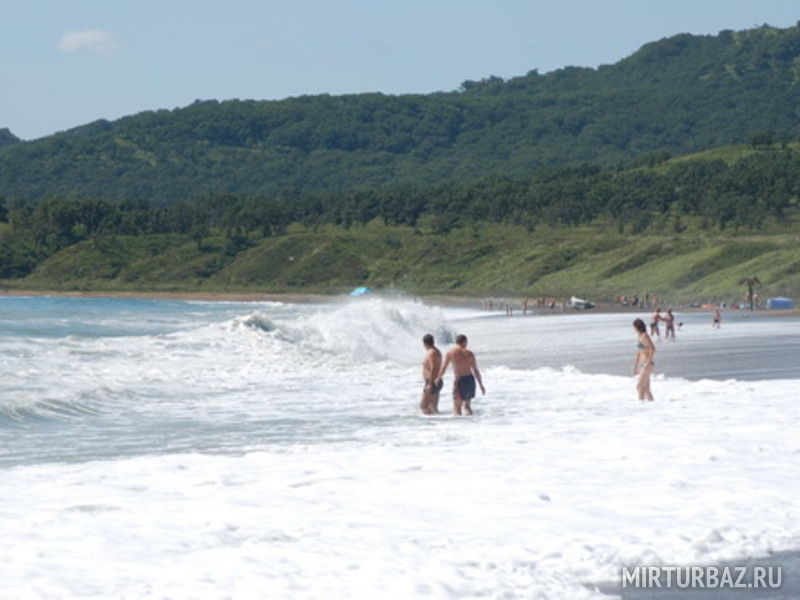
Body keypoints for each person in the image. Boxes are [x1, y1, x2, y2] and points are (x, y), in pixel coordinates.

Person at [437, 334, 485, 416]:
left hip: (459, 380)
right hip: (470, 379)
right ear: (464, 342)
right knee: (467, 406)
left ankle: (458, 426)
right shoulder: (469, 353)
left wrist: (438, 378)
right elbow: (475, 370)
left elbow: (444, 367)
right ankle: (470, 424)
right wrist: (481, 385)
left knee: (457, 407)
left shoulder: (451, 353)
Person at [632, 318, 655, 401]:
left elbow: (652, 349)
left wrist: (648, 362)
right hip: (642, 364)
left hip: (647, 364)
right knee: (646, 388)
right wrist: (635, 366)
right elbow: (639, 352)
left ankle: (641, 405)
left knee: (639, 387)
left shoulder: (645, 335)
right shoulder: (640, 336)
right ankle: (651, 406)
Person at [420, 334, 443, 414]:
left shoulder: (431, 352)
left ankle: (429, 424)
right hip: (436, 380)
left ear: (424, 343)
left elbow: (433, 368)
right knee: (433, 408)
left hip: (432, 381)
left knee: (424, 406)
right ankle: (435, 424)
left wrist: (430, 384)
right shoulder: (436, 351)